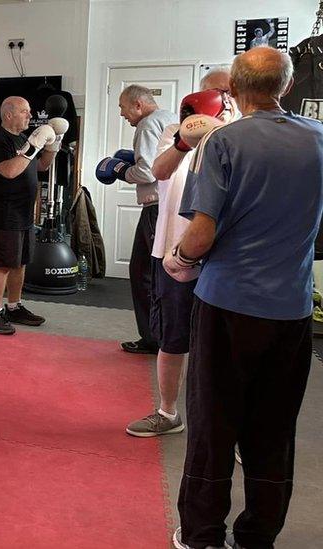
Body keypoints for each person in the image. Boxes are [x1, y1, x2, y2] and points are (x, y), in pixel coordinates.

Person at [167, 47, 323, 549]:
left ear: (232, 89)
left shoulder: (223, 141)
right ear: (287, 86)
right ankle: (257, 536)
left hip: (227, 305)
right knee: (273, 428)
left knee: (214, 424)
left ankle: (202, 535)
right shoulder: (320, 140)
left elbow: (201, 233)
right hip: (292, 310)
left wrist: (179, 258)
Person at [125, 69, 236, 438]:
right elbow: (158, 171)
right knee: (172, 337)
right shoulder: (176, 128)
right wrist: (184, 140)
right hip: (172, 248)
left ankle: (228, 427)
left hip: (223, 256)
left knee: (224, 346)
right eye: (207, 92)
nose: (213, 98)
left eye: (221, 92)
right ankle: (168, 412)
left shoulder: (243, 134)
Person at [96, 85, 178, 354]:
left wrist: (120, 169)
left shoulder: (146, 125)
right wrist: (132, 160)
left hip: (156, 208)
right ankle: (157, 336)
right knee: (148, 271)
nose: (122, 114)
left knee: (147, 274)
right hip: (169, 205)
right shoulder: (168, 118)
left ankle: (158, 338)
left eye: (123, 107)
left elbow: (146, 173)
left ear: (138, 105)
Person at [0, 96, 62, 335]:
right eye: (25, 111)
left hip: (24, 211)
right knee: (3, 264)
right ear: (9, 115)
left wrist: (53, 145)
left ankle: (13, 307)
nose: (30, 115)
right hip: (4, 212)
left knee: (20, 263)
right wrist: (33, 145)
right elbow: (9, 171)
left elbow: (41, 166)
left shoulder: (23, 138)